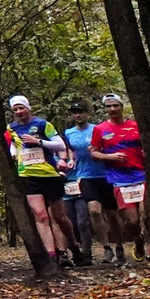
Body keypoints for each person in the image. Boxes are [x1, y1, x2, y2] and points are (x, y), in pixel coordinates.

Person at [6, 95, 74, 269]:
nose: (19, 112)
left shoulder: (43, 124)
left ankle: (72, 245)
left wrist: (39, 142)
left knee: (59, 217)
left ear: (29, 108)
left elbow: (60, 146)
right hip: (28, 174)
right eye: (15, 110)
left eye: (22, 108)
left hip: (49, 173)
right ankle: (52, 255)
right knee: (40, 214)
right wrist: (13, 152)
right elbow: (14, 143)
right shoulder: (11, 128)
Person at [89, 91, 148, 255]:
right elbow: (94, 152)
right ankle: (138, 239)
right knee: (133, 221)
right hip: (120, 179)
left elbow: (147, 145)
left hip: (141, 175)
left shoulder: (135, 125)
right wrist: (109, 156)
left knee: (147, 216)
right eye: (109, 106)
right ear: (105, 109)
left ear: (122, 107)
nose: (112, 109)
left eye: (116, 105)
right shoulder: (100, 129)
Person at [61, 102, 100, 264]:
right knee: (70, 224)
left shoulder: (96, 130)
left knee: (84, 221)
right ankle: (74, 253)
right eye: (74, 112)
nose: (77, 115)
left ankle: (88, 254)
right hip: (66, 188)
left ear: (87, 113)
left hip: (85, 178)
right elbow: (69, 151)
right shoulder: (68, 134)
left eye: (80, 112)